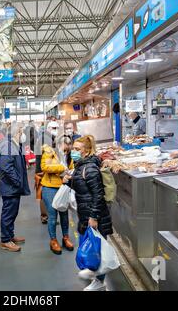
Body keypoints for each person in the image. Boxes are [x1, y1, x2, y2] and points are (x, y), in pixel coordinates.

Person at [63, 135, 113, 291]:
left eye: (77, 149)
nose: (74, 152)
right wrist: (69, 181)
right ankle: (93, 272)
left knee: (96, 247)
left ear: (87, 150)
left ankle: (98, 280)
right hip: (85, 212)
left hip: (94, 214)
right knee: (90, 244)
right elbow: (82, 187)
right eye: (74, 149)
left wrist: (93, 216)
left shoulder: (89, 168)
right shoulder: (81, 165)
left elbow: (98, 194)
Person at [0, 122, 30, 252]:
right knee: (8, 213)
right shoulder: (7, 145)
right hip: (10, 186)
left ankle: (10, 235)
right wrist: (17, 181)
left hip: (13, 187)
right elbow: (6, 167)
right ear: (17, 132)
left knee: (13, 212)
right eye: (21, 131)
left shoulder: (14, 144)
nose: (23, 134)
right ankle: (5, 240)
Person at [40, 136, 74, 255]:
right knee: (52, 216)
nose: (69, 147)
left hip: (64, 187)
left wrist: (70, 173)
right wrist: (61, 168)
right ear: (60, 143)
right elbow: (44, 167)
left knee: (64, 215)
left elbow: (72, 168)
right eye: (67, 144)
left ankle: (65, 238)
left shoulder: (69, 155)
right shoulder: (49, 152)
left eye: (70, 144)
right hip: (50, 188)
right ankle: (53, 241)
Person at [34, 121, 57, 224]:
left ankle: (46, 216)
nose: (56, 130)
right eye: (54, 128)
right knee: (44, 195)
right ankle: (46, 216)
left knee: (43, 194)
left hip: (41, 169)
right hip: (43, 171)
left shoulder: (45, 137)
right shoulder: (46, 139)